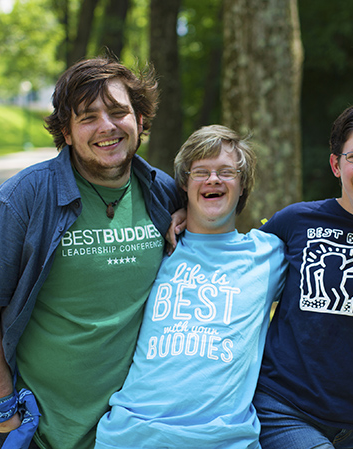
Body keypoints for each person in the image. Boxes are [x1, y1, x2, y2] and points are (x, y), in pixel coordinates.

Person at [0, 57, 183, 449]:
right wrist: (3, 413)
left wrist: (191, 220)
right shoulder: (20, 201)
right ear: (67, 132)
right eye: (88, 117)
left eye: (119, 112)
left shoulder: (164, 194)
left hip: (133, 431)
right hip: (39, 433)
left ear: (140, 120)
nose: (106, 127)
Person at [94, 125, 287, 449]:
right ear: (184, 184)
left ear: (243, 186)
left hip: (224, 441)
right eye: (201, 172)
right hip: (132, 436)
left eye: (226, 172)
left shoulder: (268, 255)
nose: (213, 180)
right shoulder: (153, 246)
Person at [253, 103, 353, 449]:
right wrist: (186, 214)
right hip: (282, 410)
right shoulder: (295, 221)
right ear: (336, 164)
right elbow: (234, 265)